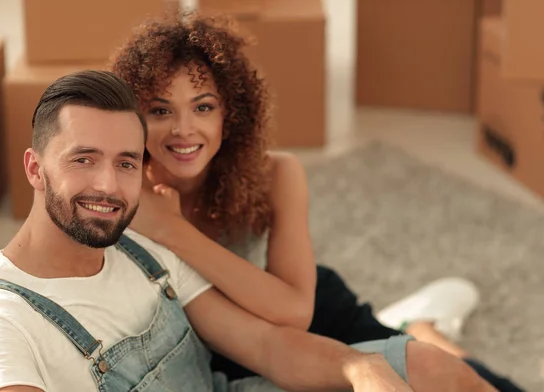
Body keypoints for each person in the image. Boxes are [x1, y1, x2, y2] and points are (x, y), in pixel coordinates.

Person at [0, 70, 495, 392]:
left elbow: (262, 341)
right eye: (84, 159)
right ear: (35, 168)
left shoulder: (138, 243)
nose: (109, 186)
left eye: (127, 162)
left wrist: (359, 365)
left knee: (426, 367)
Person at [111, 13, 524, 392]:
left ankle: (421, 329)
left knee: (466, 381)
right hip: (236, 352)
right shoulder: (128, 198)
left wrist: (173, 230)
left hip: (319, 318)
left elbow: (295, 312)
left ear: (229, 114)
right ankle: (421, 330)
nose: (184, 130)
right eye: (160, 109)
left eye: (203, 107)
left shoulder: (277, 174)